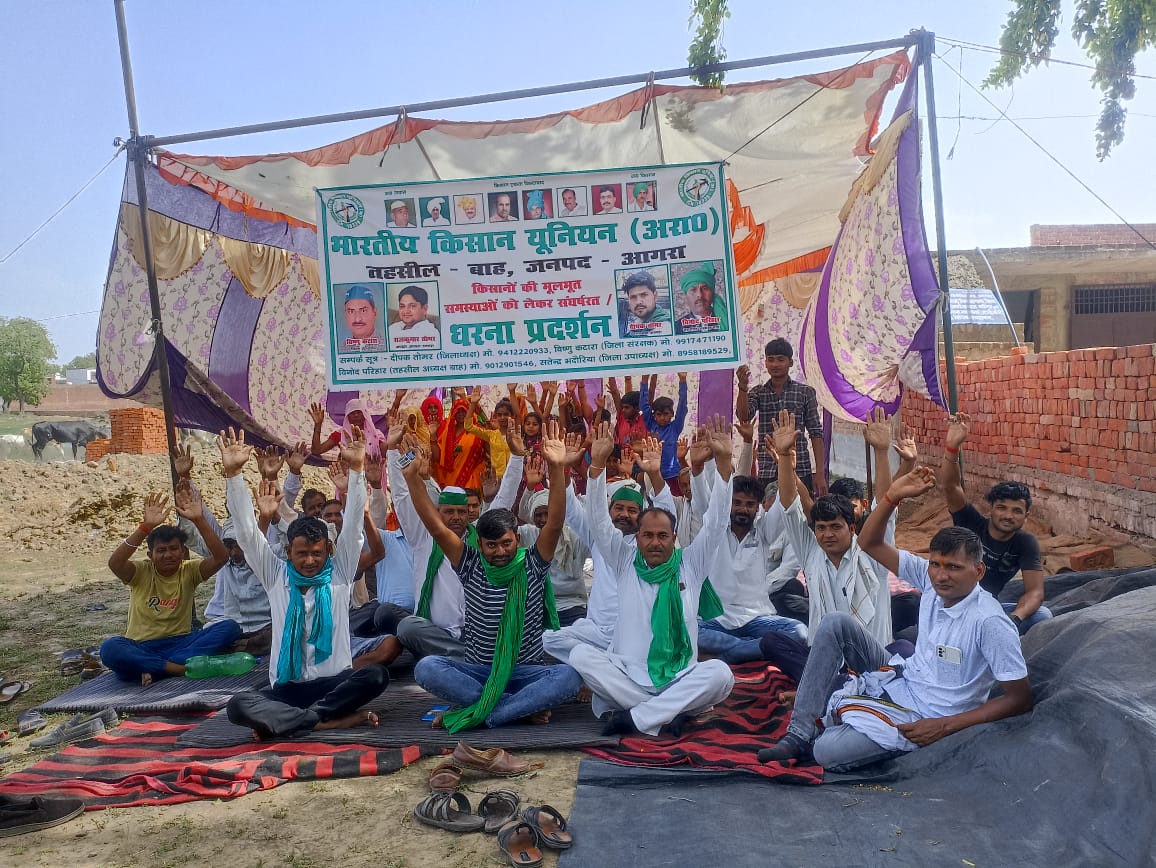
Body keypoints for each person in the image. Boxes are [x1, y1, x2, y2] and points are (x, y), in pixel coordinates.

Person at [757, 466, 1033, 772]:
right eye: (936, 565)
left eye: (953, 568)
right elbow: (870, 543)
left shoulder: (989, 622)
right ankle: (798, 733)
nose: (942, 576)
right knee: (835, 623)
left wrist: (944, 726)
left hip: (927, 715)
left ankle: (843, 711)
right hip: (902, 679)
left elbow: (1019, 699)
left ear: (978, 571)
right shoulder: (930, 582)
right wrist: (892, 496)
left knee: (826, 751)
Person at [405, 419, 581, 731]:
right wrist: (411, 476)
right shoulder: (470, 562)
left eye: (505, 544)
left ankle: (487, 710)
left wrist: (556, 468)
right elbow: (436, 526)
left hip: (526, 671)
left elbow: (553, 523)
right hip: (478, 671)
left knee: (568, 677)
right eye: (491, 545)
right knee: (427, 668)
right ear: (480, 544)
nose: (499, 552)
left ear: (517, 539)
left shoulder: (533, 563)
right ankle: (516, 708)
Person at [569, 420, 736, 736]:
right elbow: (599, 522)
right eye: (648, 535)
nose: (655, 542)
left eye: (663, 535)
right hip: (627, 675)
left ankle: (637, 718)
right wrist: (597, 466)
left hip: (679, 675)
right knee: (580, 654)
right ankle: (669, 711)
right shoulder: (623, 559)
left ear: (674, 537)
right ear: (638, 537)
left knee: (721, 674)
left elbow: (715, 523)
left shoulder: (691, 564)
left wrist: (725, 464)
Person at [222, 427, 389, 740]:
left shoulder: (338, 574)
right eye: (302, 554)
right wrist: (233, 475)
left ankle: (303, 721)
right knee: (238, 705)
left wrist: (356, 471)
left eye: (316, 553)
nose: (310, 561)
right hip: (287, 688)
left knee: (376, 676)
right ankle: (325, 720)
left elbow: (353, 528)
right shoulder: (276, 576)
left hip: (334, 683)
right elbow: (247, 535)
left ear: (327, 550)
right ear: (288, 552)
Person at [388, 415, 523, 660]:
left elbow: (506, 496)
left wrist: (517, 457)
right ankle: (467, 657)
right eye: (449, 511)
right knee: (408, 627)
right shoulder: (424, 536)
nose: (456, 517)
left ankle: (468, 656)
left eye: (461, 512)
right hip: (437, 633)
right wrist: (391, 451)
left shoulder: (481, 537)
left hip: (479, 632)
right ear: (438, 511)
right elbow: (400, 495)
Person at [542, 433, 676, 664]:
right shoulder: (599, 537)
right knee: (547, 640)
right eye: (619, 508)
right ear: (609, 510)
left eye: (632, 510)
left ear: (641, 515)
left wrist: (654, 474)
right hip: (596, 631)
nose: (624, 515)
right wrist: (562, 468)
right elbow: (572, 507)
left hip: (636, 634)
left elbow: (667, 514)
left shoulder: (650, 545)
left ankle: (597, 668)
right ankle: (603, 664)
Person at [769, 409, 896, 648]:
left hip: (876, 660)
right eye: (821, 528)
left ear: (851, 528)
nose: (827, 535)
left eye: (835, 527)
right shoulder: (811, 553)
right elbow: (790, 505)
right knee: (772, 642)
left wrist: (881, 452)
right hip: (829, 663)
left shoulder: (874, 551)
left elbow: (886, 507)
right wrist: (784, 455)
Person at [101, 487, 240, 685]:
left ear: (183, 551)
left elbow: (221, 557)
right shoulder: (141, 571)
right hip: (142, 646)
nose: (168, 555)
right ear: (151, 556)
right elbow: (115, 563)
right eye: (161, 550)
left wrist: (199, 520)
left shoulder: (189, 570)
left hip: (181, 643)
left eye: (174, 549)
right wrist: (145, 527)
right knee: (110, 648)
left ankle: (152, 669)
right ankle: (176, 669)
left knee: (229, 627)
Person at [940, 413, 1051, 635]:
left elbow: (1035, 593)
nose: (1008, 515)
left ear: (1026, 516)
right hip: (951, 605)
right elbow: (951, 487)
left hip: (986, 609)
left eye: (1017, 511)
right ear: (991, 509)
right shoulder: (971, 523)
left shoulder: (1025, 543)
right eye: (1002, 508)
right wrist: (952, 448)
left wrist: (1013, 621)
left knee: (1042, 615)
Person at [694, 472, 808, 663]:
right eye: (737, 503)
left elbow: (783, 505)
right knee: (690, 631)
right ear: (728, 503)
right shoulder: (715, 531)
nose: (743, 509)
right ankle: (754, 646)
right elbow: (702, 498)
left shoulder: (764, 531)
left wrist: (786, 465)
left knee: (800, 632)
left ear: (759, 506)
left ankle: (731, 654)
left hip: (757, 617)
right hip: (717, 619)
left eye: (749, 504)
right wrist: (697, 469)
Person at [737, 338, 826, 496]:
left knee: (800, 515)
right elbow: (744, 416)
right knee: (769, 516)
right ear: (765, 363)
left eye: (780, 359)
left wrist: (819, 473)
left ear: (790, 362)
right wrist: (742, 387)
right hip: (767, 469)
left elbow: (816, 433)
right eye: (770, 360)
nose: (775, 364)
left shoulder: (805, 392)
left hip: (799, 467)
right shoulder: (758, 392)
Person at [675, 266, 729, 334]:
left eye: (705, 289)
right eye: (693, 290)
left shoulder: (727, 320)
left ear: (712, 292)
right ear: (686, 297)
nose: (699, 295)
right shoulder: (676, 328)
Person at [387, 285, 440, 350]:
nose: (406, 311)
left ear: (424, 309)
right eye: (402, 306)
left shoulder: (430, 333)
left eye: (412, 306)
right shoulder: (395, 326)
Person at [619, 271, 671, 338]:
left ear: (655, 296)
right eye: (633, 297)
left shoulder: (664, 328)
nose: (638, 302)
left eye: (644, 295)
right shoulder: (639, 322)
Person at [341, 285, 384, 352]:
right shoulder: (342, 348)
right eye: (351, 311)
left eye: (363, 311)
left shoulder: (387, 345)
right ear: (345, 315)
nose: (357, 319)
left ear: (374, 313)